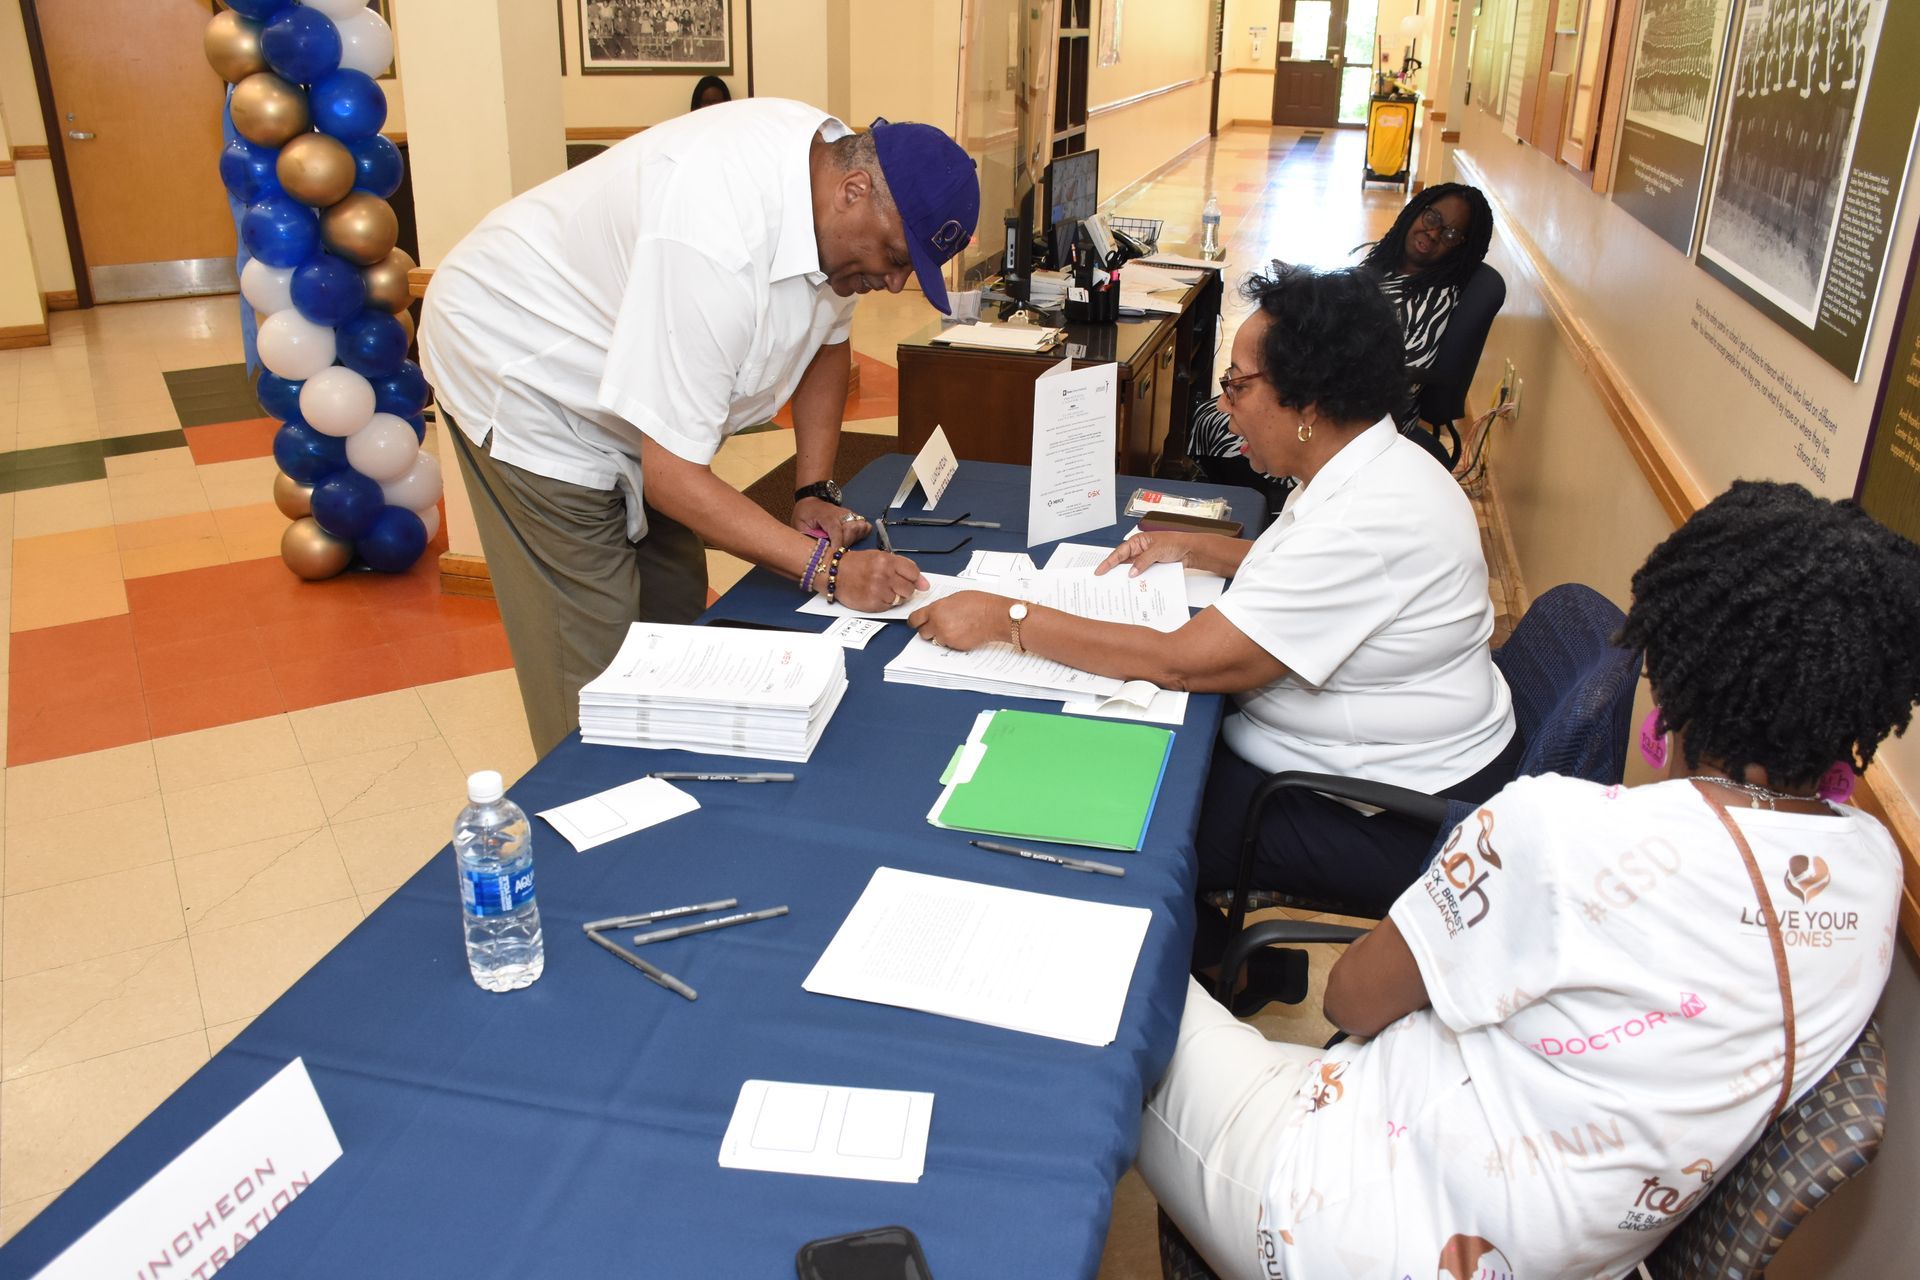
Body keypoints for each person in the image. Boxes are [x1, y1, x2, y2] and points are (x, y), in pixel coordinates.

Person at [1137, 479, 1920, 1279]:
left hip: (1335, 1215)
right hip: (1551, 1243)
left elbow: (1349, 1002)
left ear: (1681, 659)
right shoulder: (1871, 871)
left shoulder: (1558, 832)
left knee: (1116, 970)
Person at [909, 265, 1518, 950]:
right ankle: (1229, 963)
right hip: (1385, 766)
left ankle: (1189, 973)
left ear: (1309, 403)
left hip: (1377, 814)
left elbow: (1179, 665)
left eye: (1238, 385)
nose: (1225, 405)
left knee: (1121, 817)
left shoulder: (1366, 522)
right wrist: (1199, 551)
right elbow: (1306, 569)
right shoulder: (1374, 464)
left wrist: (1006, 618)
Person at [421, 101, 978, 754]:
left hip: (636, 391)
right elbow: (674, 479)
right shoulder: (715, 231)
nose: (892, 280)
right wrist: (828, 572)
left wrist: (813, 492)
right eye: (892, 255)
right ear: (854, 193)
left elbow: (828, 342)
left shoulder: (828, 185)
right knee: (592, 657)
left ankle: (681, 789)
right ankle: (594, 815)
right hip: (528, 374)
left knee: (679, 610)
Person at [1189, 183, 1495, 486]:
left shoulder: (1437, 299)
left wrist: (1308, 382)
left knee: (1222, 421)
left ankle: (1253, 503)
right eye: (1432, 219)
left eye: (1450, 234)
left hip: (1353, 417)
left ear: (1461, 247)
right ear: (1418, 211)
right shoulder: (1384, 266)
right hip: (1327, 391)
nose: (1434, 233)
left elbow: (1392, 374)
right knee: (1211, 413)